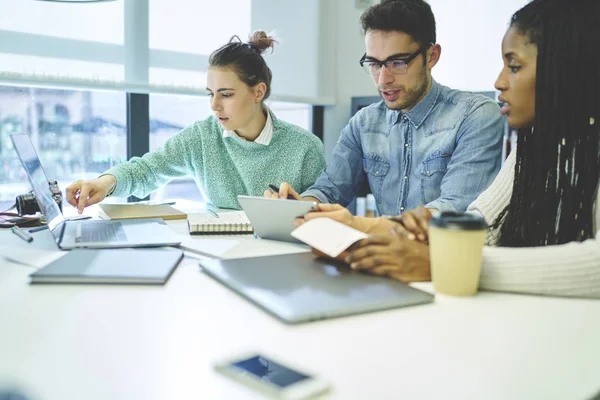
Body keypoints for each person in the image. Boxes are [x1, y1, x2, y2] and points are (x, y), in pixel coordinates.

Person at [342, 0, 600, 298]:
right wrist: (433, 233)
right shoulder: (535, 149)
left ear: (566, 70)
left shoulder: (476, 115)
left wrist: (448, 263)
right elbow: (484, 224)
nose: (499, 82)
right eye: (374, 64)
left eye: (514, 66)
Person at [265, 0, 504, 230]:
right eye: (374, 64)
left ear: (432, 56)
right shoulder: (363, 124)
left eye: (397, 63)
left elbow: (454, 211)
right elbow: (330, 189)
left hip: (440, 261)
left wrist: (362, 225)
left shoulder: (475, 116)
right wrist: (299, 206)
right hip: (381, 259)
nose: (383, 79)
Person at [66, 32, 326, 213]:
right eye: (210, 94)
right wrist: (104, 183)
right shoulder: (202, 137)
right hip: (218, 257)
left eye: (226, 94)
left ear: (258, 92)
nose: (214, 105)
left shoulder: (304, 148)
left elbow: (324, 218)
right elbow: (146, 170)